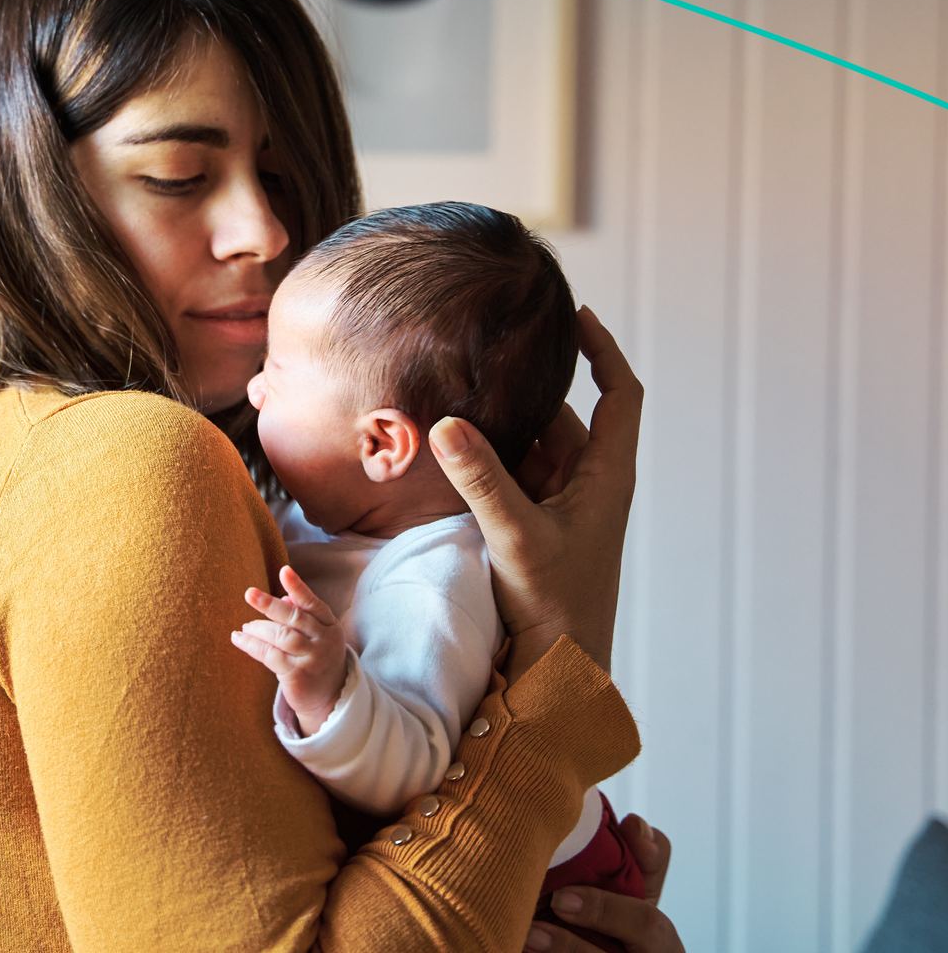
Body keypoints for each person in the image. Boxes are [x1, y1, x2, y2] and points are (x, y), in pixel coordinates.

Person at [0, 0, 685, 953]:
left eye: (281, 173)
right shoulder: (118, 462)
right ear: (24, 189)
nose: (263, 230)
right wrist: (556, 667)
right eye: (180, 175)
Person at [233, 203, 644, 953]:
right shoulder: (340, 518)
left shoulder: (434, 582)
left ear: (383, 443)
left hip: (550, 890)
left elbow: (416, 765)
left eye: (276, 374)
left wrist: (330, 691)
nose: (254, 391)